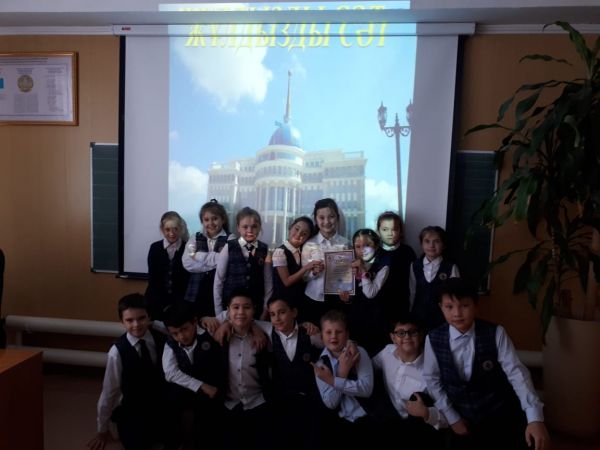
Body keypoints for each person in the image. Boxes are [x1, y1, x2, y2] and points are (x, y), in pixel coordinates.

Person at [423, 278, 550, 450]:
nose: (457, 313)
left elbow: (517, 374)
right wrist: (453, 418)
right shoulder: (433, 338)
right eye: (449, 307)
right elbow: (432, 380)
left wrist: (535, 418)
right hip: (460, 417)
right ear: (441, 307)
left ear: (476, 306)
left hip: (498, 413)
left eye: (464, 305)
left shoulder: (495, 333)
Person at [88, 294, 166, 450]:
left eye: (141, 318)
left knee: (172, 439)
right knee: (137, 444)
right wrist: (102, 430)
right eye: (129, 320)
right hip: (133, 407)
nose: (136, 325)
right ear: (122, 322)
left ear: (149, 317)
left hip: (159, 402)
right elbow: (109, 392)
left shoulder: (161, 335)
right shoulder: (116, 352)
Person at [262, 296, 330, 450]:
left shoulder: (310, 333)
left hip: (309, 399)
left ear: (294, 312)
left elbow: (332, 347)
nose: (277, 318)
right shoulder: (268, 330)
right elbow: (245, 321)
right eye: (272, 314)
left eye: (282, 312)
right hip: (283, 401)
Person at [373, 316, 447, 449]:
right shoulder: (387, 353)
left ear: (421, 336)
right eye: (401, 333)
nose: (407, 337)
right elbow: (368, 369)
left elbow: (448, 419)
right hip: (387, 419)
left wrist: (426, 413)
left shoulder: (431, 370)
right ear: (393, 337)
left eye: (413, 332)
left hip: (416, 429)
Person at [162, 301, 225, 450]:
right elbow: (170, 373)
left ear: (195, 322)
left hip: (213, 389)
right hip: (190, 389)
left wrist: (226, 324)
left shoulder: (209, 331)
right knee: (170, 400)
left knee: (206, 427)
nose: (181, 336)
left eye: (184, 329)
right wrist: (201, 385)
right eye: (175, 333)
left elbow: (233, 316)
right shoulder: (170, 344)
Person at [312, 310, 375, 448]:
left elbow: (366, 389)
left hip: (370, 417)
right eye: (328, 332)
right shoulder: (320, 365)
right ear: (322, 335)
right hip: (342, 422)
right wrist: (342, 373)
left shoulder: (359, 352)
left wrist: (334, 381)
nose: (333, 336)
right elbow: (331, 403)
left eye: (339, 332)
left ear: (347, 334)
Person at [220, 288, 274, 450]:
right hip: (229, 405)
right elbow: (199, 324)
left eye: (247, 307)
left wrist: (306, 325)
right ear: (228, 311)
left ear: (254, 310)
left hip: (259, 403)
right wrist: (220, 322)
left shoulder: (266, 331)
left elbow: (287, 329)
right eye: (235, 307)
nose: (241, 312)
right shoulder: (218, 333)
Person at [213, 207, 272, 319]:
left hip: (255, 308)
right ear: (238, 228)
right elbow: (218, 280)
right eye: (245, 227)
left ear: (259, 228)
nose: (250, 230)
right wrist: (219, 312)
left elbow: (268, 282)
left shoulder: (265, 249)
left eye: (254, 226)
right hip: (230, 308)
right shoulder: (229, 247)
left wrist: (265, 308)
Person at [340, 228, 391, 356]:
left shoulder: (383, 264)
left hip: (376, 320)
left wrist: (362, 270)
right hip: (356, 318)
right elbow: (350, 292)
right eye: (358, 246)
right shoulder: (349, 263)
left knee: (374, 355)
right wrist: (347, 299)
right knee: (357, 355)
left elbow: (370, 293)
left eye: (367, 245)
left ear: (376, 246)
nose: (362, 250)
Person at [301, 198, 349, 324]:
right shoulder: (309, 244)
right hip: (314, 298)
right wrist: (314, 272)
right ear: (316, 220)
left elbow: (348, 275)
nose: (326, 221)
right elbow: (303, 277)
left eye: (331, 217)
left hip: (338, 299)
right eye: (321, 217)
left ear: (337, 218)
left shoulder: (346, 244)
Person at [183, 199, 231, 318]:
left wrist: (197, 256)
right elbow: (187, 262)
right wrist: (214, 263)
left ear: (223, 219)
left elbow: (226, 261)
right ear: (202, 221)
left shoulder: (231, 238)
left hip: (220, 292)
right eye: (206, 220)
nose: (211, 223)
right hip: (195, 292)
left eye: (215, 218)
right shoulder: (195, 237)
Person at [409, 225, 459, 330]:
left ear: (443, 245)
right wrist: (410, 313)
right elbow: (412, 291)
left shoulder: (450, 267)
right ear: (421, 244)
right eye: (427, 241)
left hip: (441, 317)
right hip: (418, 316)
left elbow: (455, 295)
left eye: (436, 241)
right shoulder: (415, 265)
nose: (431, 245)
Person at [272, 216, 319, 322]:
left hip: (298, 303)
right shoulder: (280, 252)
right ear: (290, 227)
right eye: (297, 229)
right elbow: (287, 281)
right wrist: (307, 267)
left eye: (304, 234)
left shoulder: (302, 251)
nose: (298, 234)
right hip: (283, 304)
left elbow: (302, 279)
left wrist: (314, 272)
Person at [145, 211, 190, 321]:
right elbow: (152, 278)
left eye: (175, 229)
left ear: (181, 229)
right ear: (162, 229)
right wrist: (161, 303)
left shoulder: (188, 248)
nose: (171, 233)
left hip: (180, 302)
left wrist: (179, 304)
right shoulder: (155, 248)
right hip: (156, 300)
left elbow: (188, 280)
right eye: (167, 229)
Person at [376, 211, 417, 319]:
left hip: (401, 306)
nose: (390, 233)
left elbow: (413, 282)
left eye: (394, 229)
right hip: (378, 307)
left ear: (400, 231)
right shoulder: (374, 253)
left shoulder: (408, 252)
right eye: (385, 229)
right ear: (378, 231)